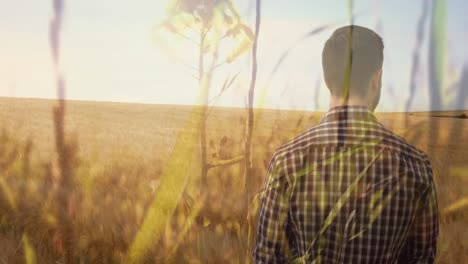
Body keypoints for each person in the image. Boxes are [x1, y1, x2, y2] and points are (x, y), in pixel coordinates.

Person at [253, 25, 439, 263]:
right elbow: (422, 258)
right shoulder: (416, 165)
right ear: (377, 79)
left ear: (326, 78)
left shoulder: (287, 159)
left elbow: (267, 257)